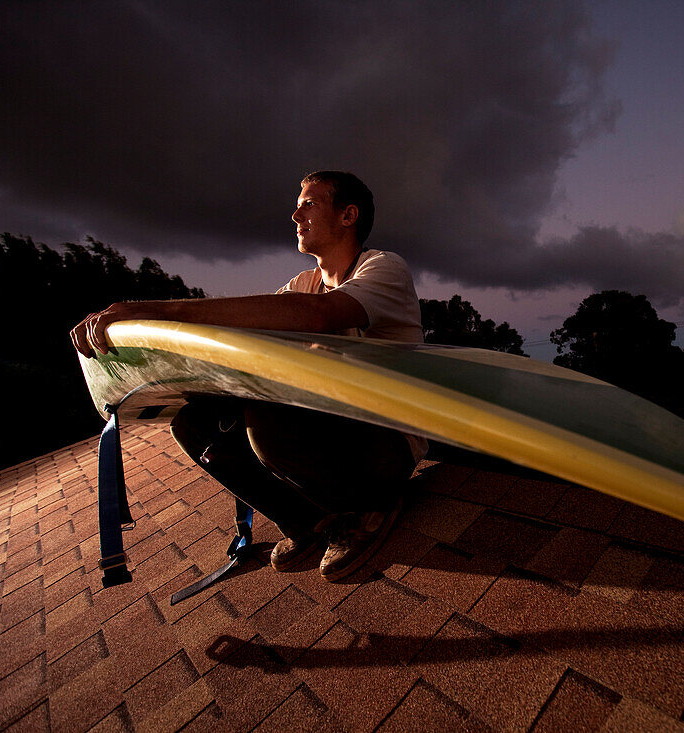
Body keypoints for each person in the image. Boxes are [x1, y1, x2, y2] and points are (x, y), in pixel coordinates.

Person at [70, 171, 427, 580]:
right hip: (332, 429)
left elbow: (318, 316)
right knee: (194, 423)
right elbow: (242, 332)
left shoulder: (384, 267)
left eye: (309, 204)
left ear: (348, 215)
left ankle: (366, 508)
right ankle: (306, 523)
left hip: (386, 443)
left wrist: (152, 310)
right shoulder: (302, 284)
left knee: (268, 418)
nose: (295, 215)